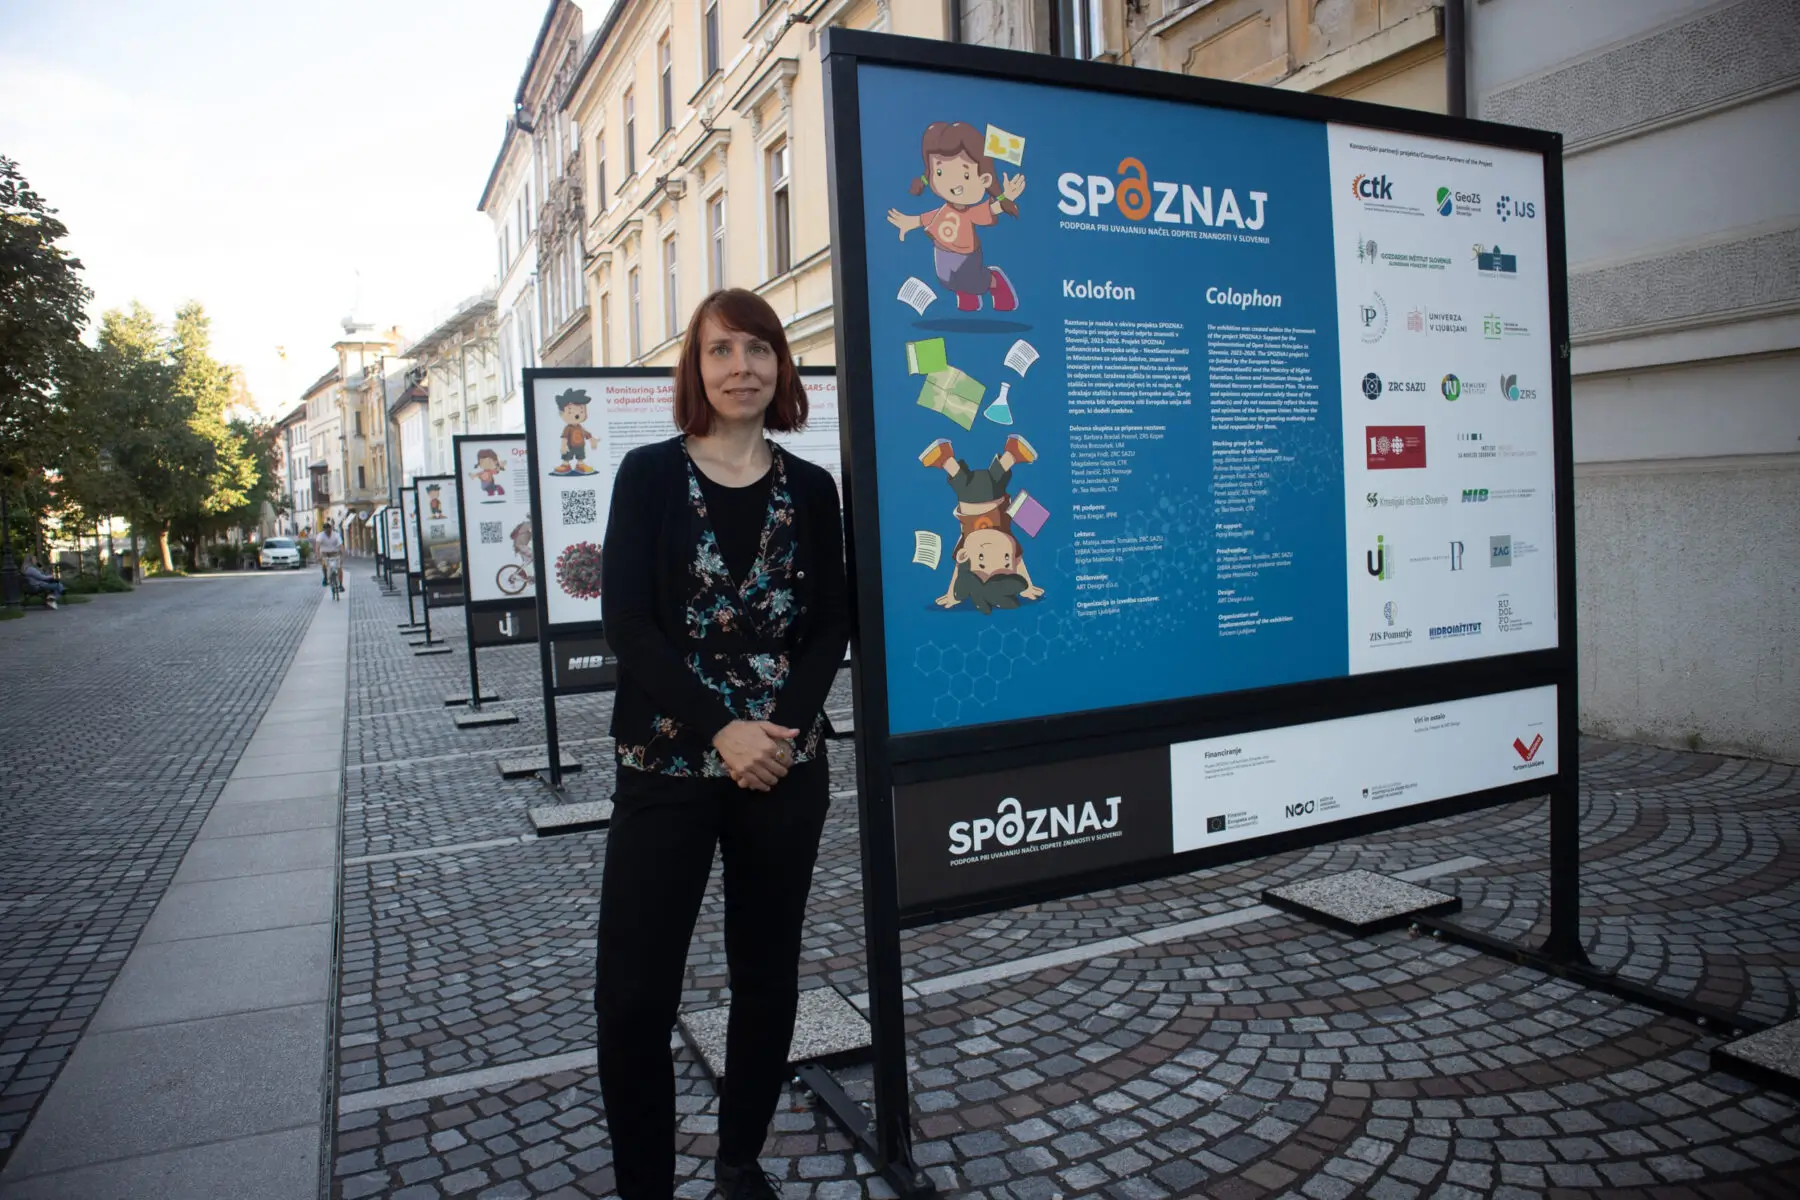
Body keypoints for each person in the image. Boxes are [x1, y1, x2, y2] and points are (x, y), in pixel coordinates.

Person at [596, 288, 848, 1200]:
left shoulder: (812, 488)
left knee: (767, 976)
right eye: (721, 350)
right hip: (667, 759)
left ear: (781, 366)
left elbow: (832, 625)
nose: (741, 367)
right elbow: (628, 623)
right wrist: (723, 729)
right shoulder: (648, 475)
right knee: (634, 995)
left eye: (758, 349)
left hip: (783, 765)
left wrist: (780, 732)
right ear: (695, 369)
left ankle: (739, 1162)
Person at [315, 521, 344, 588]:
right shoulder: (320, 535)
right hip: (324, 553)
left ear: (331, 529)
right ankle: (325, 577)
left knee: (339, 567)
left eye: (329, 530)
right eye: (326, 531)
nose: (328, 532)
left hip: (335, 553)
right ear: (324, 530)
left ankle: (341, 584)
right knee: (324, 565)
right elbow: (317, 547)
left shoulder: (336, 535)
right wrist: (318, 556)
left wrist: (342, 556)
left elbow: (341, 546)